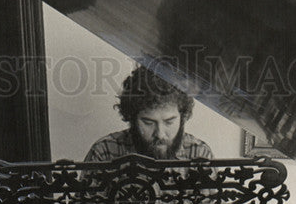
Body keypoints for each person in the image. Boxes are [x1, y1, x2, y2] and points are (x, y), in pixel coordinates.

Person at [85, 66, 213, 162]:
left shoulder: (199, 154)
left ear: (182, 116)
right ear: (132, 118)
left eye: (169, 122)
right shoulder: (104, 152)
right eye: (148, 122)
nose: (160, 134)